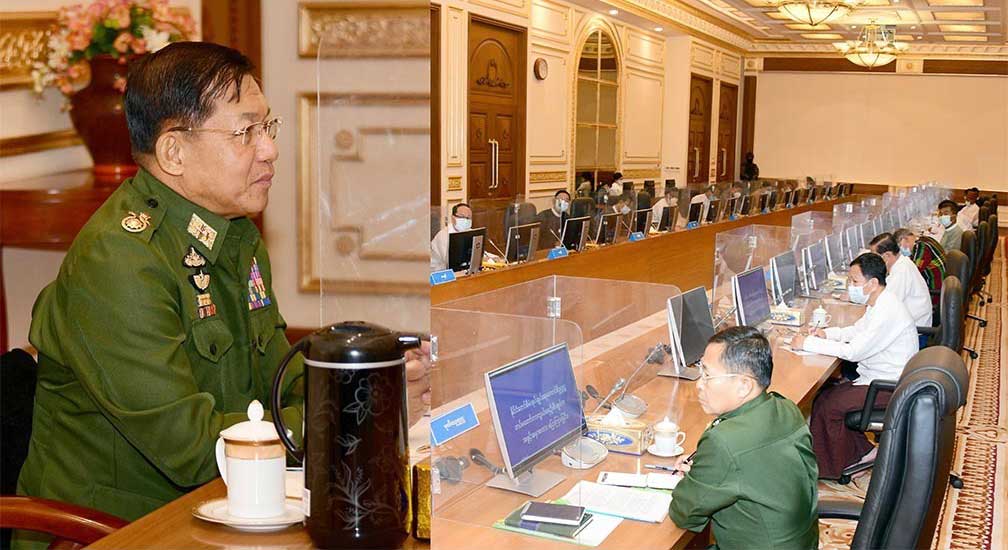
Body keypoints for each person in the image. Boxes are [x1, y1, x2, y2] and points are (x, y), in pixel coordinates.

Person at [15, 43, 432, 533]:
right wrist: (343, 414)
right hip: (118, 531)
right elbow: (191, 450)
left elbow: (280, 373)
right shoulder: (120, 261)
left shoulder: (234, 234)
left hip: (227, 506)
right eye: (244, 132)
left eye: (266, 127)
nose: (270, 149)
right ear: (173, 152)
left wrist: (362, 384)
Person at [669, 326, 819, 550]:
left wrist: (691, 481)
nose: (699, 384)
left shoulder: (724, 441)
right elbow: (750, 468)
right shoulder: (784, 407)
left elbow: (684, 513)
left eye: (708, 375)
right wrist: (708, 471)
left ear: (744, 385)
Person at [792, 253, 918, 479]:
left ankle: (834, 467)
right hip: (882, 377)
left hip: (888, 386)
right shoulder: (880, 301)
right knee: (825, 396)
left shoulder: (886, 310)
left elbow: (854, 351)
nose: (851, 286)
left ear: (872, 283)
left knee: (827, 406)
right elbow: (857, 331)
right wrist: (826, 334)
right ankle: (864, 452)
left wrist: (809, 343)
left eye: (855, 282)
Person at [869, 232, 933, 330]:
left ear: (887, 255)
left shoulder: (901, 271)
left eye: (874, 256)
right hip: (909, 322)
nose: (872, 261)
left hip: (915, 331)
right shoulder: (901, 262)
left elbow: (885, 305)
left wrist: (861, 297)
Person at [430, 202, 472, 271]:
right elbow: (449, 261)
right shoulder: (443, 236)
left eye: (469, 218)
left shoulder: (470, 231)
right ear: (453, 218)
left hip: (460, 270)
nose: (466, 220)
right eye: (462, 216)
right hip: (439, 272)